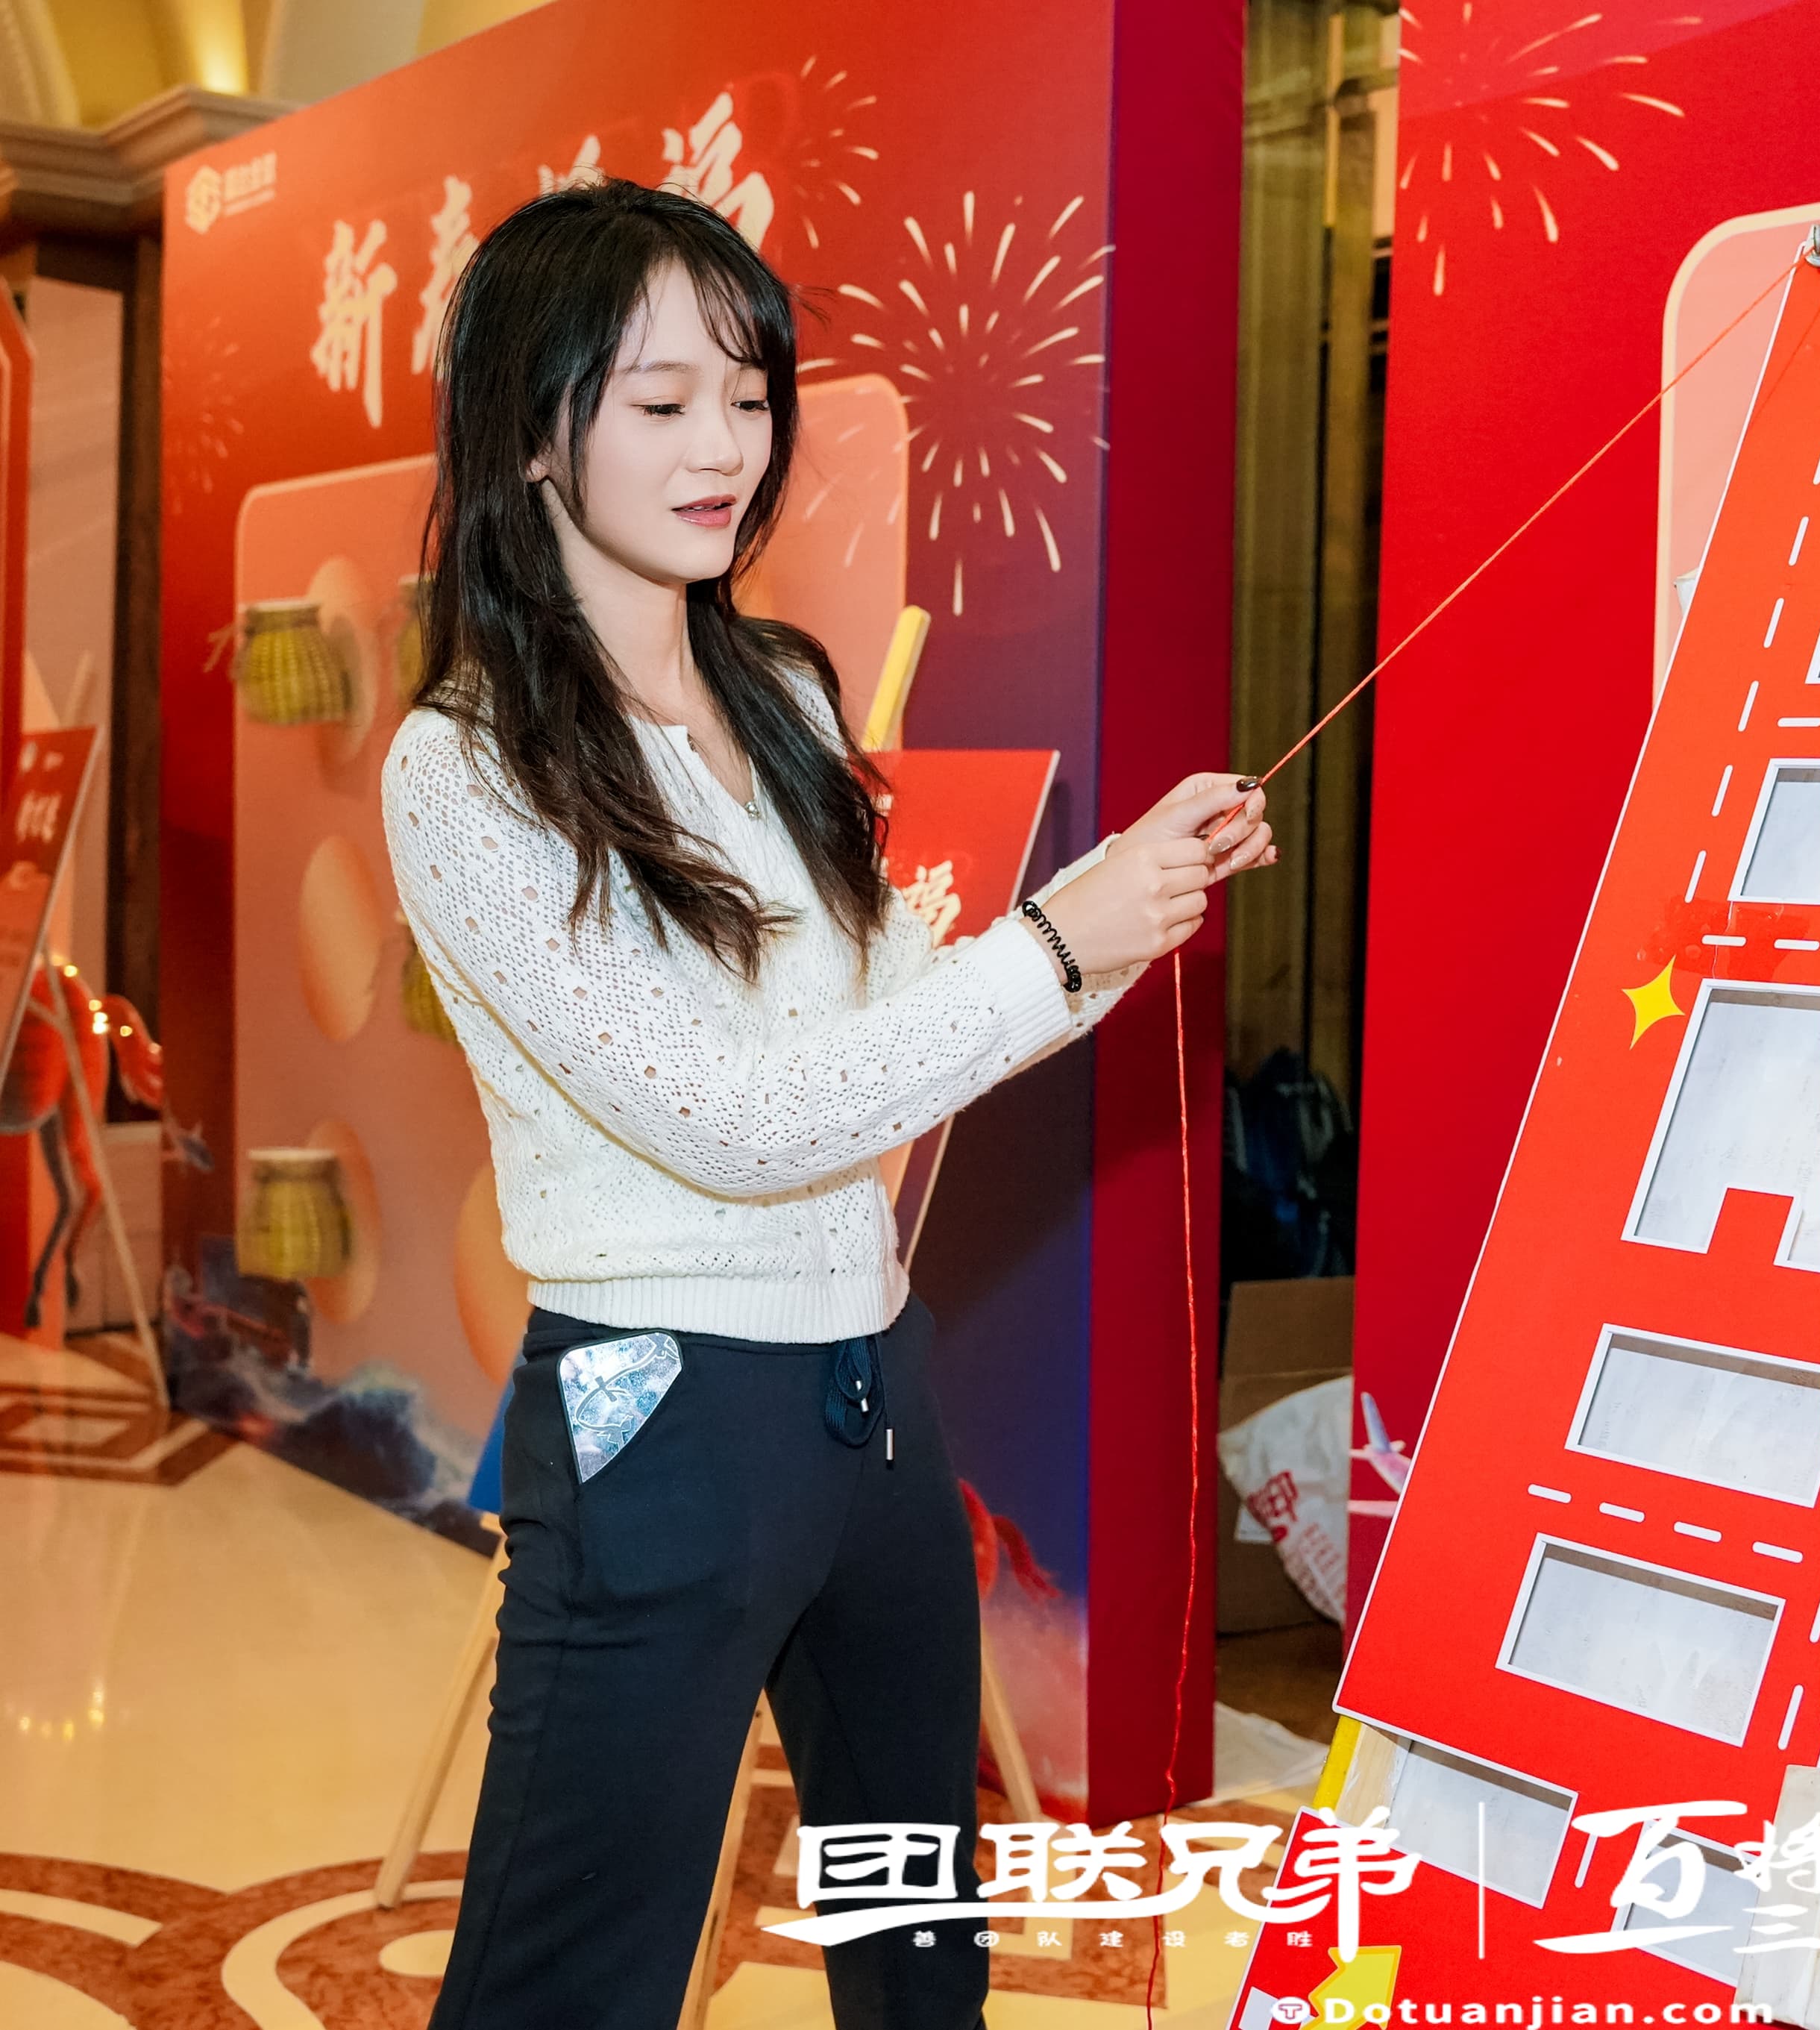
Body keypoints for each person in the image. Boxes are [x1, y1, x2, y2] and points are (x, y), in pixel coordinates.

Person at [382, 177, 1269, 2030]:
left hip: (871, 1382)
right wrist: (1056, 939)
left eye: (749, 393)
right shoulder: (465, 767)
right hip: (657, 1414)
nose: (725, 446)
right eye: (662, 400)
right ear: (531, 430)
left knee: (917, 1928)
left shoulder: (779, 684)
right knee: (570, 1975)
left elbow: (882, 1033)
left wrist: (1120, 908)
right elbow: (730, 1119)